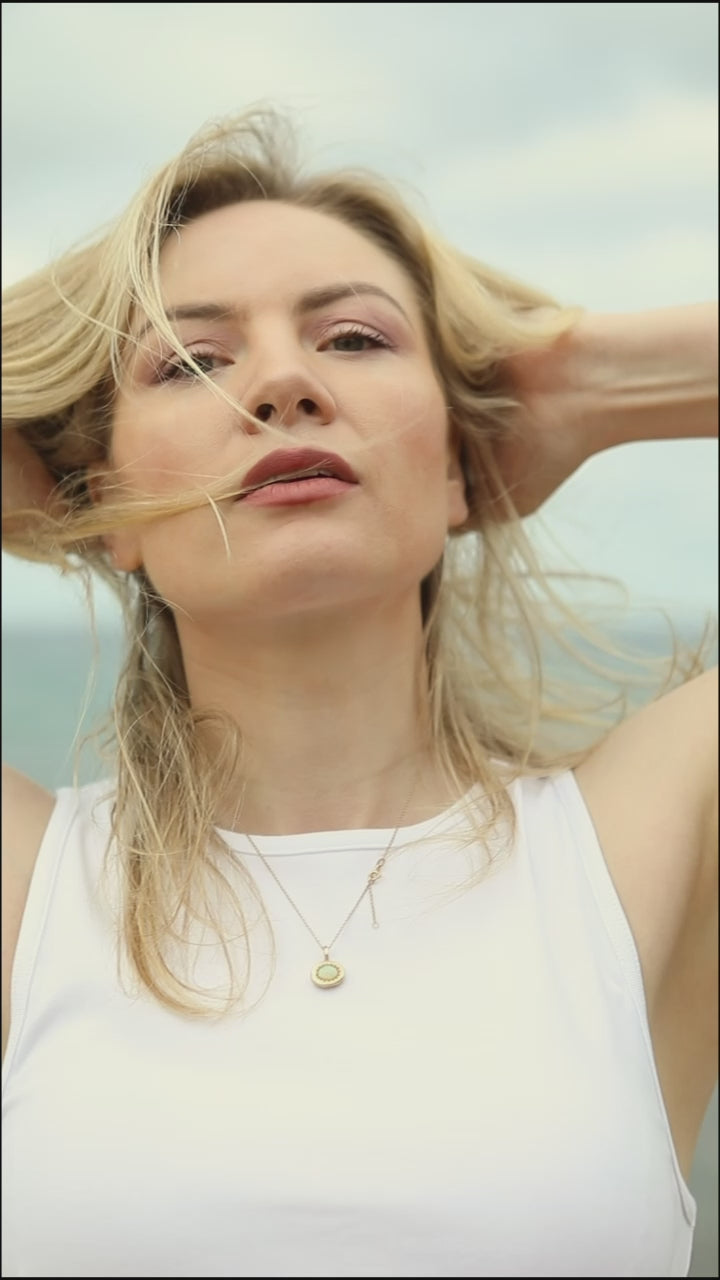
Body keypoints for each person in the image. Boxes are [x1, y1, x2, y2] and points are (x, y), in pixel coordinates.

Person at [1, 105, 717, 1280]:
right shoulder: (31, 900)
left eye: (352, 339)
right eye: (192, 361)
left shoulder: (643, 847)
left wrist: (589, 383)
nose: (282, 381)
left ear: (458, 463)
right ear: (98, 496)